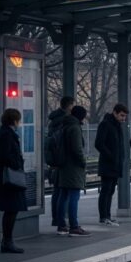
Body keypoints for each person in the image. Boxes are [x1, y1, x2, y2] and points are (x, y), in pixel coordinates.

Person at [0, 108, 27, 253]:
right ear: (14, 120)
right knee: (11, 210)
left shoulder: (5, 133)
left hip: (8, 178)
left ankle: (7, 241)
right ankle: (7, 242)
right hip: (9, 179)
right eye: (18, 120)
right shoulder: (7, 134)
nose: (19, 123)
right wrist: (18, 163)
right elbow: (6, 155)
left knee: (11, 210)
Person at [57, 106, 90, 237]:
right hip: (73, 167)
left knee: (63, 195)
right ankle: (74, 226)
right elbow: (77, 149)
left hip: (64, 166)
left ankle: (61, 225)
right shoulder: (75, 128)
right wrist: (83, 162)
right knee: (74, 196)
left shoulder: (65, 126)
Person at [95, 103, 128, 226]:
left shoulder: (117, 125)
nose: (123, 119)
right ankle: (103, 217)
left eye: (124, 116)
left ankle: (107, 216)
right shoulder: (105, 124)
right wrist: (111, 156)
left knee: (111, 190)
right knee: (106, 190)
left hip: (115, 164)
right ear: (114, 112)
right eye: (122, 115)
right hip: (108, 164)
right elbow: (99, 143)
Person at [47, 96, 74, 230]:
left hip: (55, 160)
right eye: (72, 105)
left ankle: (57, 219)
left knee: (57, 191)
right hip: (62, 161)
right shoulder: (64, 121)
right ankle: (61, 220)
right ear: (69, 106)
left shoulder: (53, 120)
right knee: (62, 192)